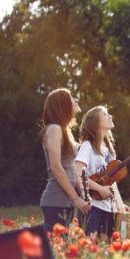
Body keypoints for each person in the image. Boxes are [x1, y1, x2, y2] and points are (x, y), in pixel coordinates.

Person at [40, 88, 90, 233]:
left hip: (66, 203)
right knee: (55, 246)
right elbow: (56, 167)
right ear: (61, 105)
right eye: (71, 98)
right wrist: (76, 199)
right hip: (55, 201)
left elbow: (73, 170)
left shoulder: (65, 131)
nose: (76, 100)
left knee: (59, 247)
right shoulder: (54, 129)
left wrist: (82, 195)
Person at [75, 106, 128, 238]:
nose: (110, 116)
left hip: (109, 209)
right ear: (95, 123)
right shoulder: (87, 146)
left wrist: (120, 206)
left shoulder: (109, 150)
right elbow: (77, 173)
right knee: (90, 248)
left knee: (106, 251)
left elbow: (111, 182)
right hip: (92, 208)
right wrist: (100, 188)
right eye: (105, 115)